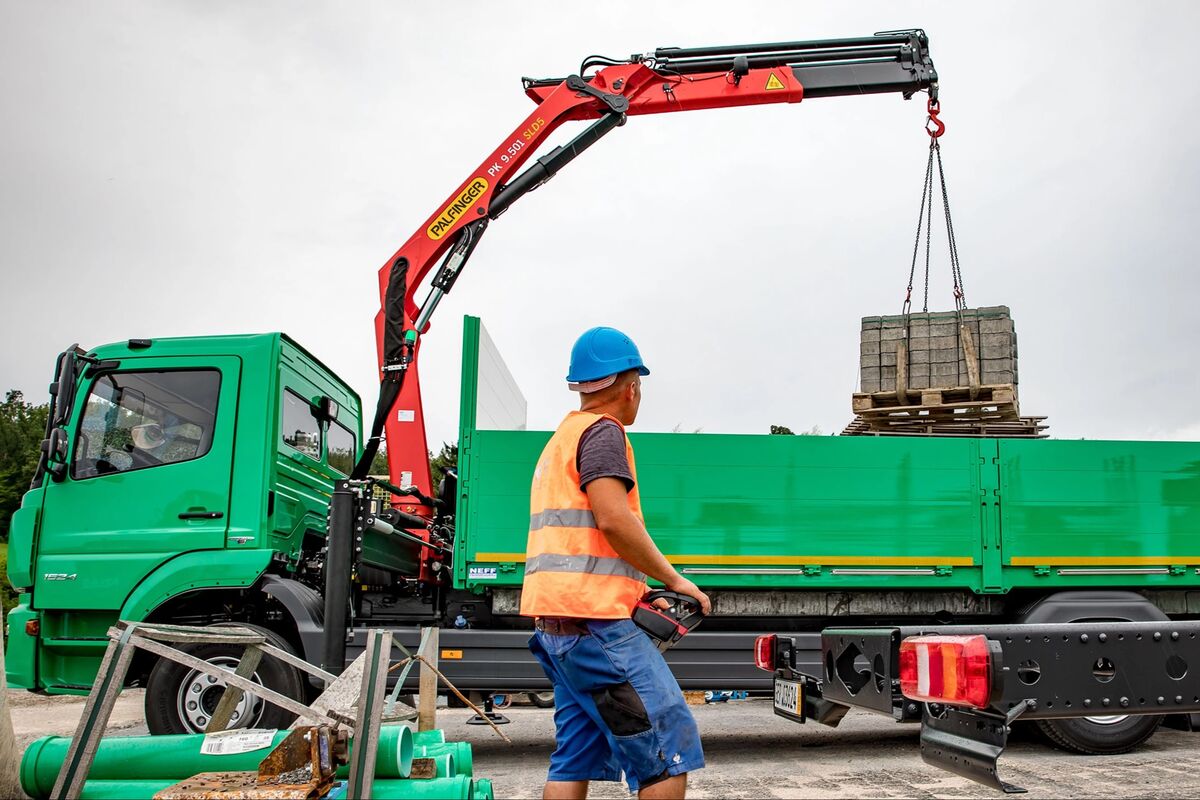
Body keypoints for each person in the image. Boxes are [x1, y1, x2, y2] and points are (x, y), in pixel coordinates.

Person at [522, 326, 711, 800]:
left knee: (575, 757)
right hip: (597, 628)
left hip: (559, 628)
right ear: (630, 387)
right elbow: (612, 519)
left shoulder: (561, 439)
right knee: (668, 750)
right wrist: (674, 580)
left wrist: (636, 590)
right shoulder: (605, 432)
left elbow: (582, 540)